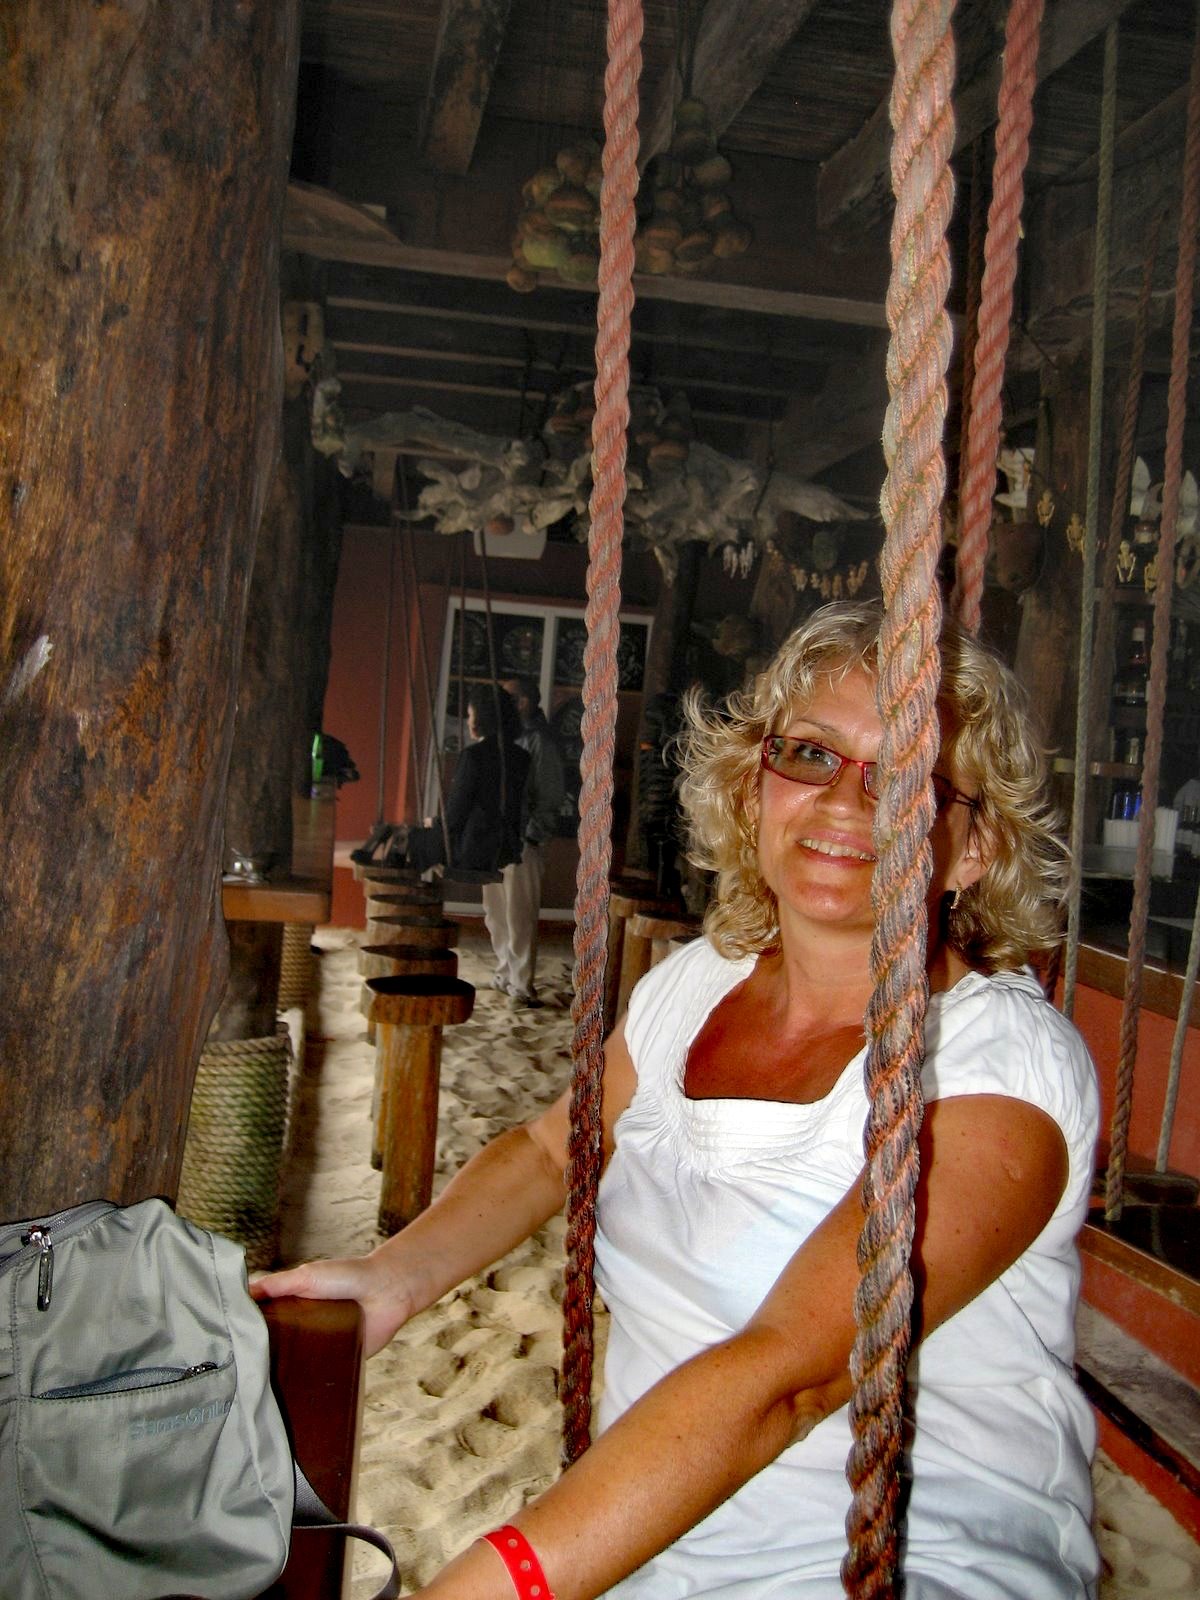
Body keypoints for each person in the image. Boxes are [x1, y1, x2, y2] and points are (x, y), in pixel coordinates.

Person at [253, 600, 1100, 1598]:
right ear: (754, 784)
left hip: (911, 1567)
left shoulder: (1001, 1068)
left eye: (907, 775)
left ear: (976, 848)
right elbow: (552, 1150)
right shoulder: (697, 984)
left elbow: (789, 1378)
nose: (846, 802)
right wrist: (393, 1277)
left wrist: (491, 1583)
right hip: (651, 1546)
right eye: (811, 755)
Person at [481, 675, 566, 1007]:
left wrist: (531, 837)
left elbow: (550, 794)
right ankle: (504, 971)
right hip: (497, 837)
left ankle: (521, 982)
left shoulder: (540, 742)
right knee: (495, 911)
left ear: (523, 702)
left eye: (506, 698)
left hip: (522, 841)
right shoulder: (504, 736)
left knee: (519, 914)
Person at [407, 684, 530, 875]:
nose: (467, 721)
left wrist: (434, 823)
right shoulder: (521, 757)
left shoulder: (474, 756)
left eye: (470, 715)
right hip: (505, 848)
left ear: (482, 718)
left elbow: (455, 815)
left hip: (472, 849)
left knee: (410, 839)